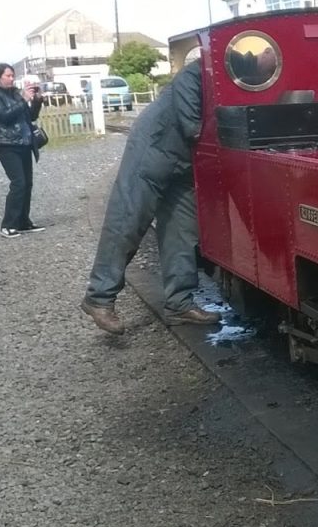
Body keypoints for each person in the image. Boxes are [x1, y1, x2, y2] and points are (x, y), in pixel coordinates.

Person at [79, 58, 221, 334]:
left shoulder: (227, 76)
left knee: (182, 231)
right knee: (127, 221)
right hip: (153, 150)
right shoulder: (194, 75)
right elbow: (193, 126)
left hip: (182, 162)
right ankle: (99, 298)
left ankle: (179, 304)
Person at [0, 63, 45, 238]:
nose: (11, 78)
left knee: (27, 183)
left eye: (12, 75)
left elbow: (30, 116)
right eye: (8, 75)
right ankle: (8, 224)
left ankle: (23, 221)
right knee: (18, 183)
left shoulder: (15, 94)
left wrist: (37, 101)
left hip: (24, 142)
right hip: (6, 143)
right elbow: (3, 116)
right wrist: (23, 99)